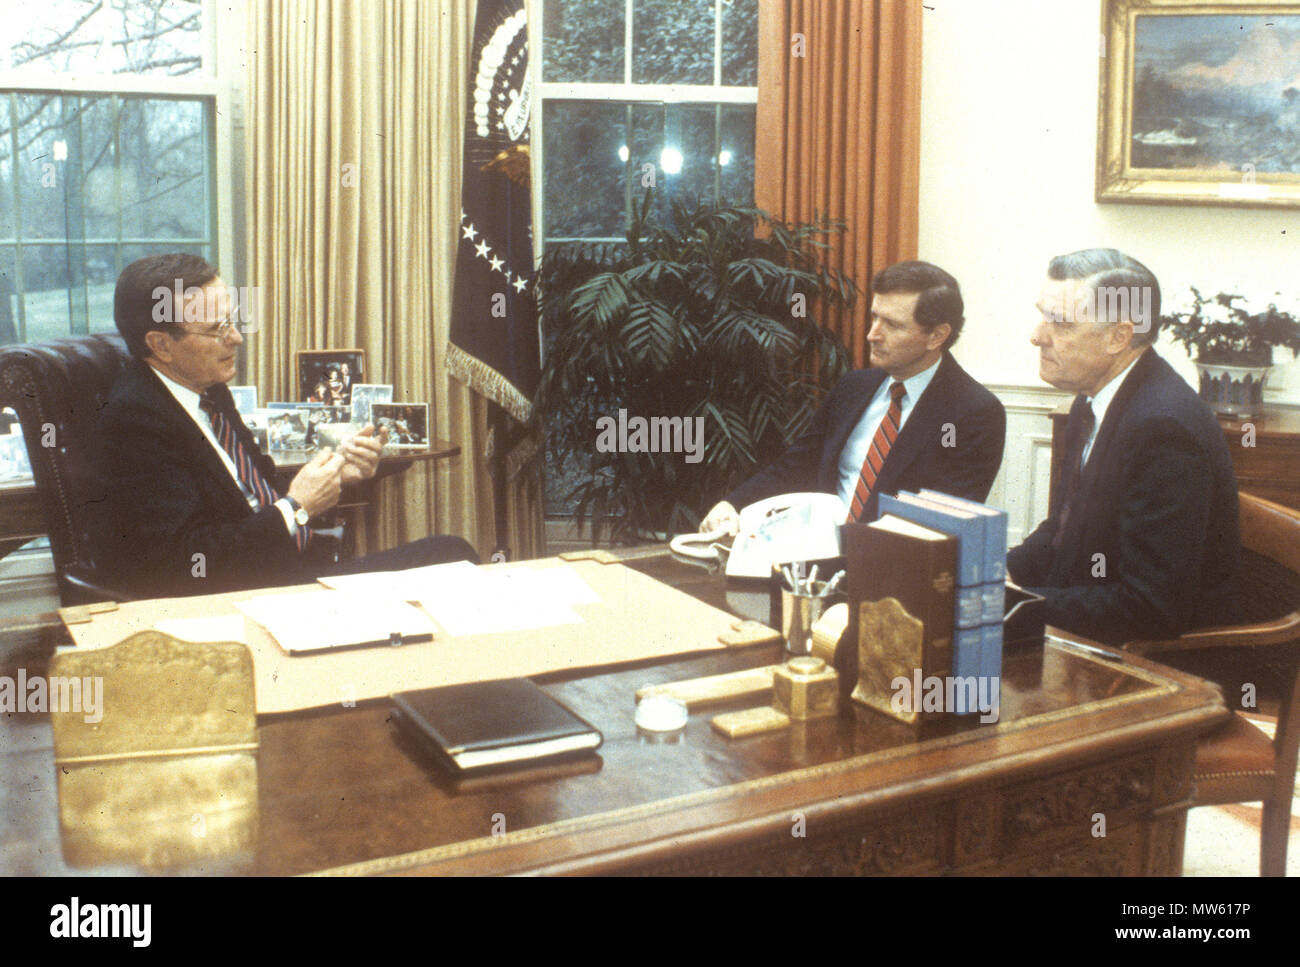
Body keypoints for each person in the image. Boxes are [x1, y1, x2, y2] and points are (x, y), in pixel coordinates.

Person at [93, 253, 477, 598]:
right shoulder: (135, 421)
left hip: (286, 569)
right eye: (216, 329)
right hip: (241, 596)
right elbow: (188, 560)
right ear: (161, 345)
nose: (237, 337)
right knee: (451, 558)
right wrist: (298, 507)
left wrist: (338, 476)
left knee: (451, 554)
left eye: (233, 321)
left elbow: (258, 495)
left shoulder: (207, 390)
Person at [1006, 248, 1239, 646]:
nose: (1037, 336)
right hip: (1089, 626)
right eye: (1043, 315)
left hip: (1156, 658)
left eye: (1059, 323)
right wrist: (991, 574)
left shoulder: (1164, 428)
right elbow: (1064, 529)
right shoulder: (1093, 396)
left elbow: (1150, 606)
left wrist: (1011, 605)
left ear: (1119, 336)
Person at [700, 260, 1006, 533]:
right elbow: (798, 465)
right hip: (814, 553)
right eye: (875, 317)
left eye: (893, 325)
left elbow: (940, 523)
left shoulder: (973, 412)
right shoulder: (854, 387)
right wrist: (733, 504)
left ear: (937, 336)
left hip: (893, 572)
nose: (873, 334)